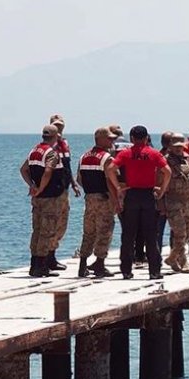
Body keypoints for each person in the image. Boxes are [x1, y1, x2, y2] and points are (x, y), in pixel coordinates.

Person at [105, 125, 171, 279]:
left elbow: (110, 169)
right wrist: (162, 189)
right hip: (148, 195)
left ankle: (126, 271)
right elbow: (167, 171)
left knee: (128, 235)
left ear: (132, 138)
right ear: (147, 137)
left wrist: (118, 187)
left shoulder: (126, 153)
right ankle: (154, 271)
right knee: (150, 235)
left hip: (132, 195)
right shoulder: (153, 153)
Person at [20, 124, 67, 277]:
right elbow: (48, 171)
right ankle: (41, 266)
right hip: (50, 197)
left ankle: (34, 264)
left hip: (37, 198)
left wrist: (32, 185)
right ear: (55, 137)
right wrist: (40, 187)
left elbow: (23, 169)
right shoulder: (51, 153)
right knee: (47, 232)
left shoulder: (34, 151)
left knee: (37, 230)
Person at [76, 126, 120, 277]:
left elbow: (79, 179)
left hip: (89, 198)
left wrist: (90, 191)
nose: (112, 141)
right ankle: (100, 264)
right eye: (109, 138)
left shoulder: (84, 156)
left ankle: (82, 265)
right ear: (100, 139)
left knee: (88, 231)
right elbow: (110, 181)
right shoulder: (106, 158)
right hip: (104, 199)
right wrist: (117, 201)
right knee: (105, 231)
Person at [47, 115, 81, 270]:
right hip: (52, 191)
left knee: (62, 223)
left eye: (61, 126)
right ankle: (46, 257)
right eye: (56, 126)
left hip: (64, 189)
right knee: (50, 224)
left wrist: (73, 183)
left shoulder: (65, 144)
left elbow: (67, 166)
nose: (59, 129)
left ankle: (52, 254)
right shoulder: (48, 146)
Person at [162, 133, 189, 273]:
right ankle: (183, 261)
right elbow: (160, 182)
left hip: (188, 200)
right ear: (170, 146)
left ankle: (172, 257)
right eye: (175, 147)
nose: (178, 149)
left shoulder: (187, 158)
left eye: (181, 147)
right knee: (180, 232)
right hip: (173, 200)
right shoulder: (165, 161)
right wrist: (160, 203)